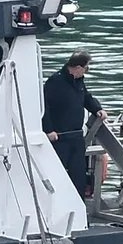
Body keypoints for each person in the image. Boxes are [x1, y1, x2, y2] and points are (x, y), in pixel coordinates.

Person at [42, 50, 106, 198]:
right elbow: (44, 107)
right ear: (78, 67)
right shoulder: (55, 81)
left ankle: (79, 204)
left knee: (79, 175)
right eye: (86, 68)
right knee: (57, 173)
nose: (86, 71)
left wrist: (97, 109)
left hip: (76, 135)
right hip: (60, 136)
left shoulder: (79, 81)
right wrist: (48, 130)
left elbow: (86, 97)